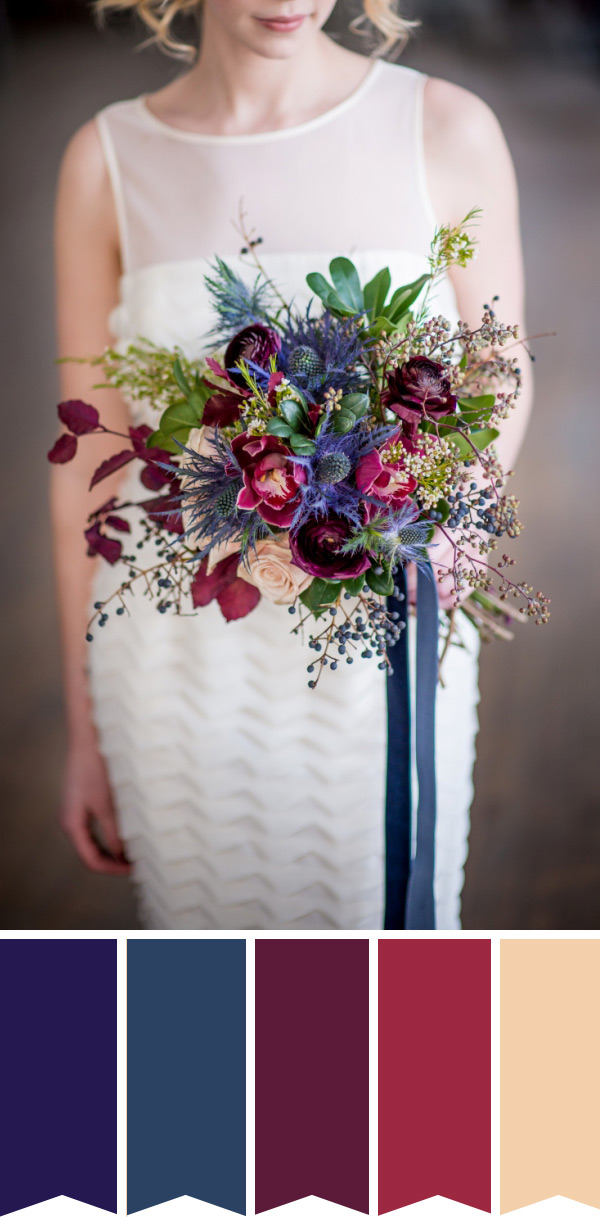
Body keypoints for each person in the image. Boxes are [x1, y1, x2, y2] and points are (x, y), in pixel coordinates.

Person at [51, 0, 532, 929]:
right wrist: (83, 727)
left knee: (394, 1000)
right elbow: (88, 466)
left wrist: (452, 517)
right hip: (172, 661)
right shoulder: (103, 160)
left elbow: (498, 368)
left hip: (377, 648)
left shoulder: (446, 126)